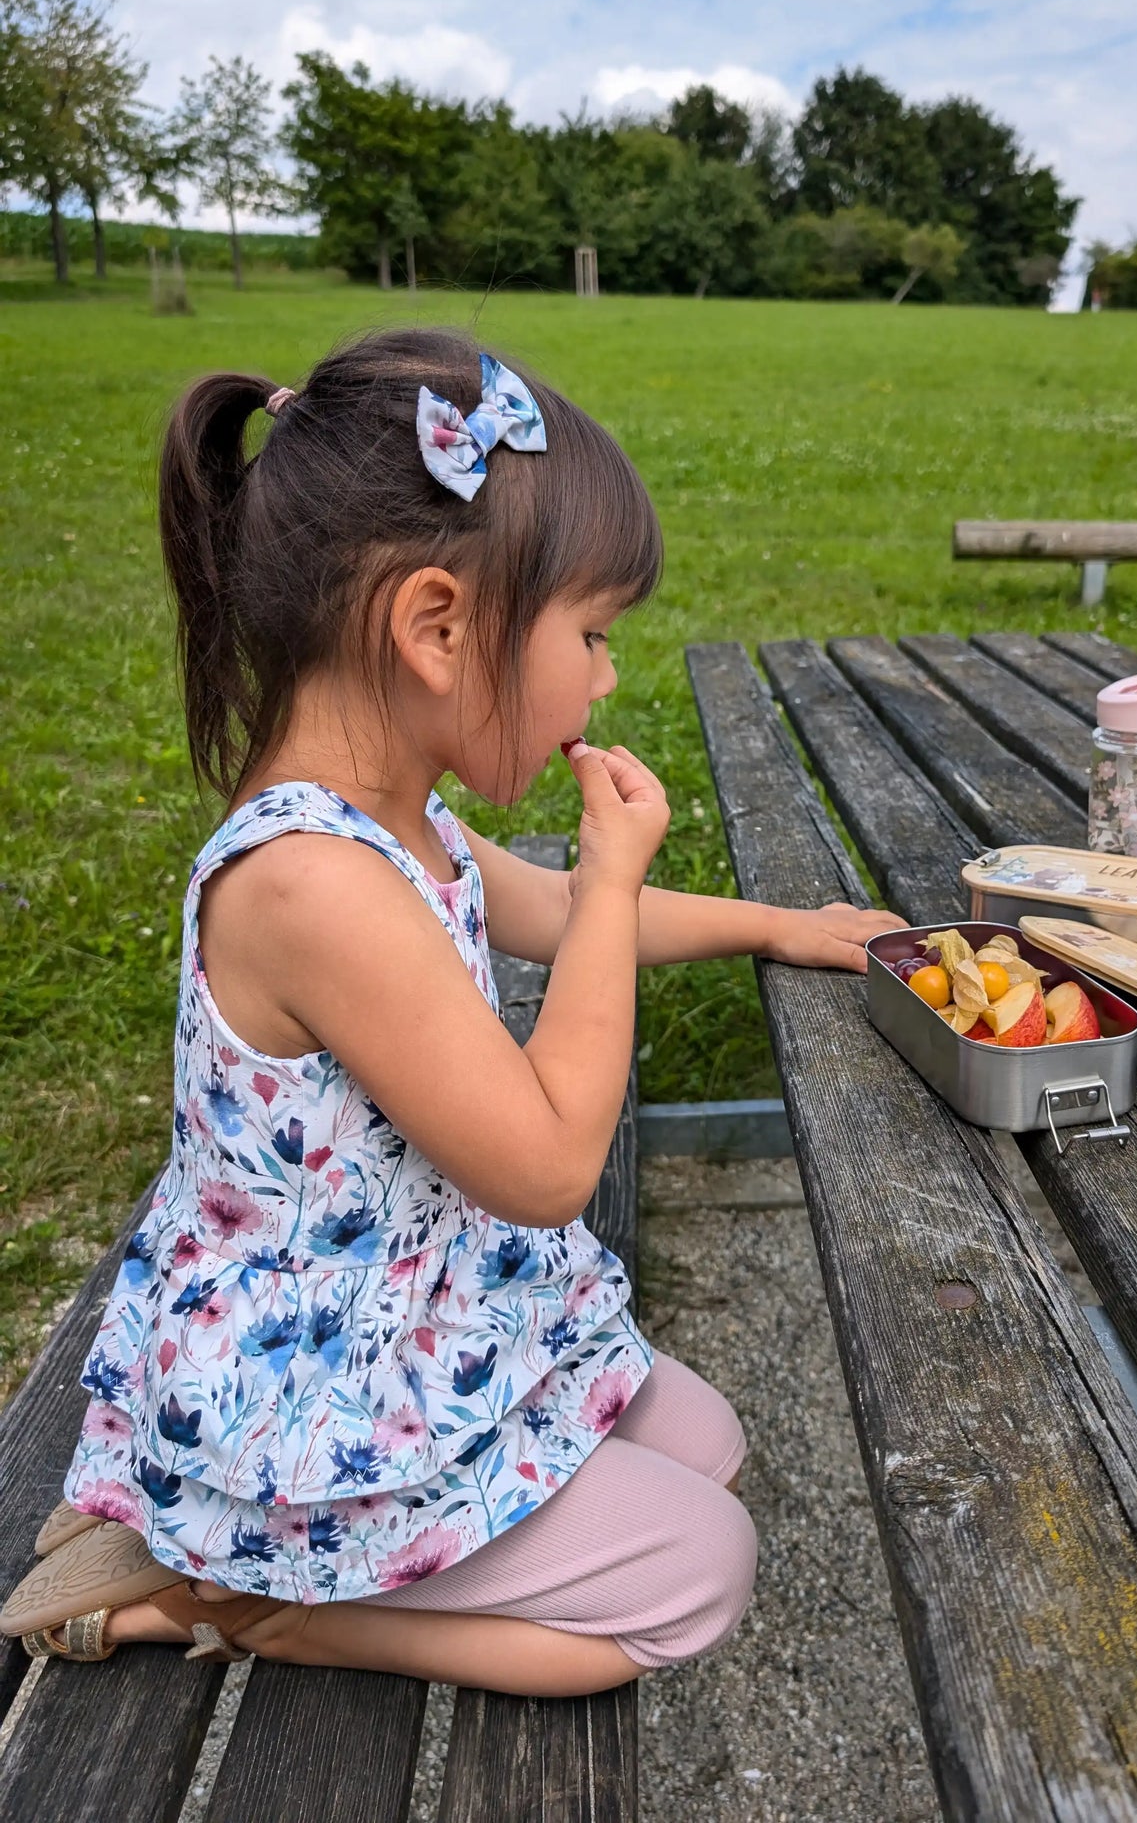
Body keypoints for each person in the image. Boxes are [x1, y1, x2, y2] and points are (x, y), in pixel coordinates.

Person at [0, 327, 893, 1691]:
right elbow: (545, 1165)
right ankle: (242, 1606)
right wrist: (608, 879)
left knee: (702, 1439)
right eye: (591, 634)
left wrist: (779, 925)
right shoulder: (312, 884)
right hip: (313, 1395)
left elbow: (549, 910)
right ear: (435, 626)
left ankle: (217, 1560)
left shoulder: (399, 823)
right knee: (701, 1573)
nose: (603, 679)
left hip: (414, 1303)